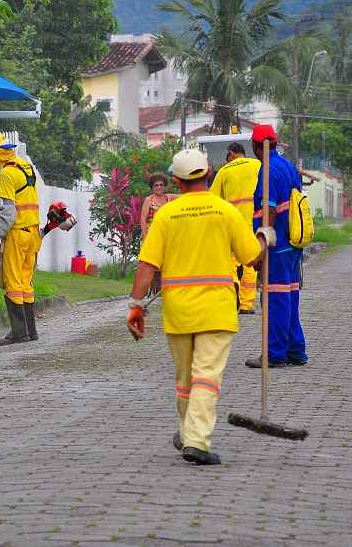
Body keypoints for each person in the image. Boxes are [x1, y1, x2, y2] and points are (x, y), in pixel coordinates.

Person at [126, 148, 274, 466]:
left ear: (176, 181)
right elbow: (252, 257)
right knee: (206, 377)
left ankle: (187, 431)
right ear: (209, 175)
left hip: (178, 311)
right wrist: (265, 237)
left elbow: (146, 266)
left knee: (185, 379)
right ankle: (196, 441)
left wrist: (136, 306)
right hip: (217, 310)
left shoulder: (166, 215)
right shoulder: (225, 212)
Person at [246, 124, 308, 368]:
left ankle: (275, 353)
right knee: (290, 296)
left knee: (275, 299)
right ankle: (295, 350)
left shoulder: (268, 170)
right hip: (292, 244)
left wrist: (262, 245)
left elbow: (268, 210)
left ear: (256, 146)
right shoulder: (288, 166)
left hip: (277, 245)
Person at [0, 133, 42, 345]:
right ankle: (30, 331)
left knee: (13, 283)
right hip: (33, 233)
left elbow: (9, 213)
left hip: (17, 234)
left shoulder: (7, 174)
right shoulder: (26, 167)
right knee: (26, 283)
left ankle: (18, 332)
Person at [210, 142, 261, 314]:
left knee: (230, 263)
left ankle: (233, 289)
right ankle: (247, 304)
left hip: (231, 224)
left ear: (231, 154)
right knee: (250, 264)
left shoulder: (224, 171)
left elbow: (213, 200)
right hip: (254, 223)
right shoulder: (258, 165)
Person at [140, 173, 175, 240]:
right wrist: (145, 237)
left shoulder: (169, 197)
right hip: (151, 234)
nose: (159, 187)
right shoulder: (149, 200)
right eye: (156, 185)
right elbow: (143, 219)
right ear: (152, 187)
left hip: (166, 234)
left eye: (161, 185)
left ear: (164, 186)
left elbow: (185, 196)